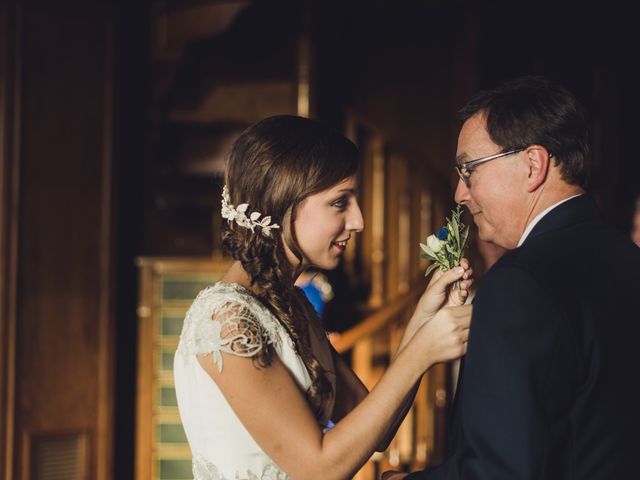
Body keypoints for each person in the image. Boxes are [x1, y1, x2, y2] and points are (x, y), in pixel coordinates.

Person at [173, 115, 474, 480]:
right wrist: (422, 350)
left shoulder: (293, 305)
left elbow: (376, 429)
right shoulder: (228, 321)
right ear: (282, 202)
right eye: (339, 202)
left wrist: (422, 320)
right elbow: (318, 469)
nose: (358, 220)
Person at [385, 76, 640, 480]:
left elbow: (498, 471)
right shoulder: (627, 259)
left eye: (468, 170)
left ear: (533, 165)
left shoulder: (519, 284)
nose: (459, 194)